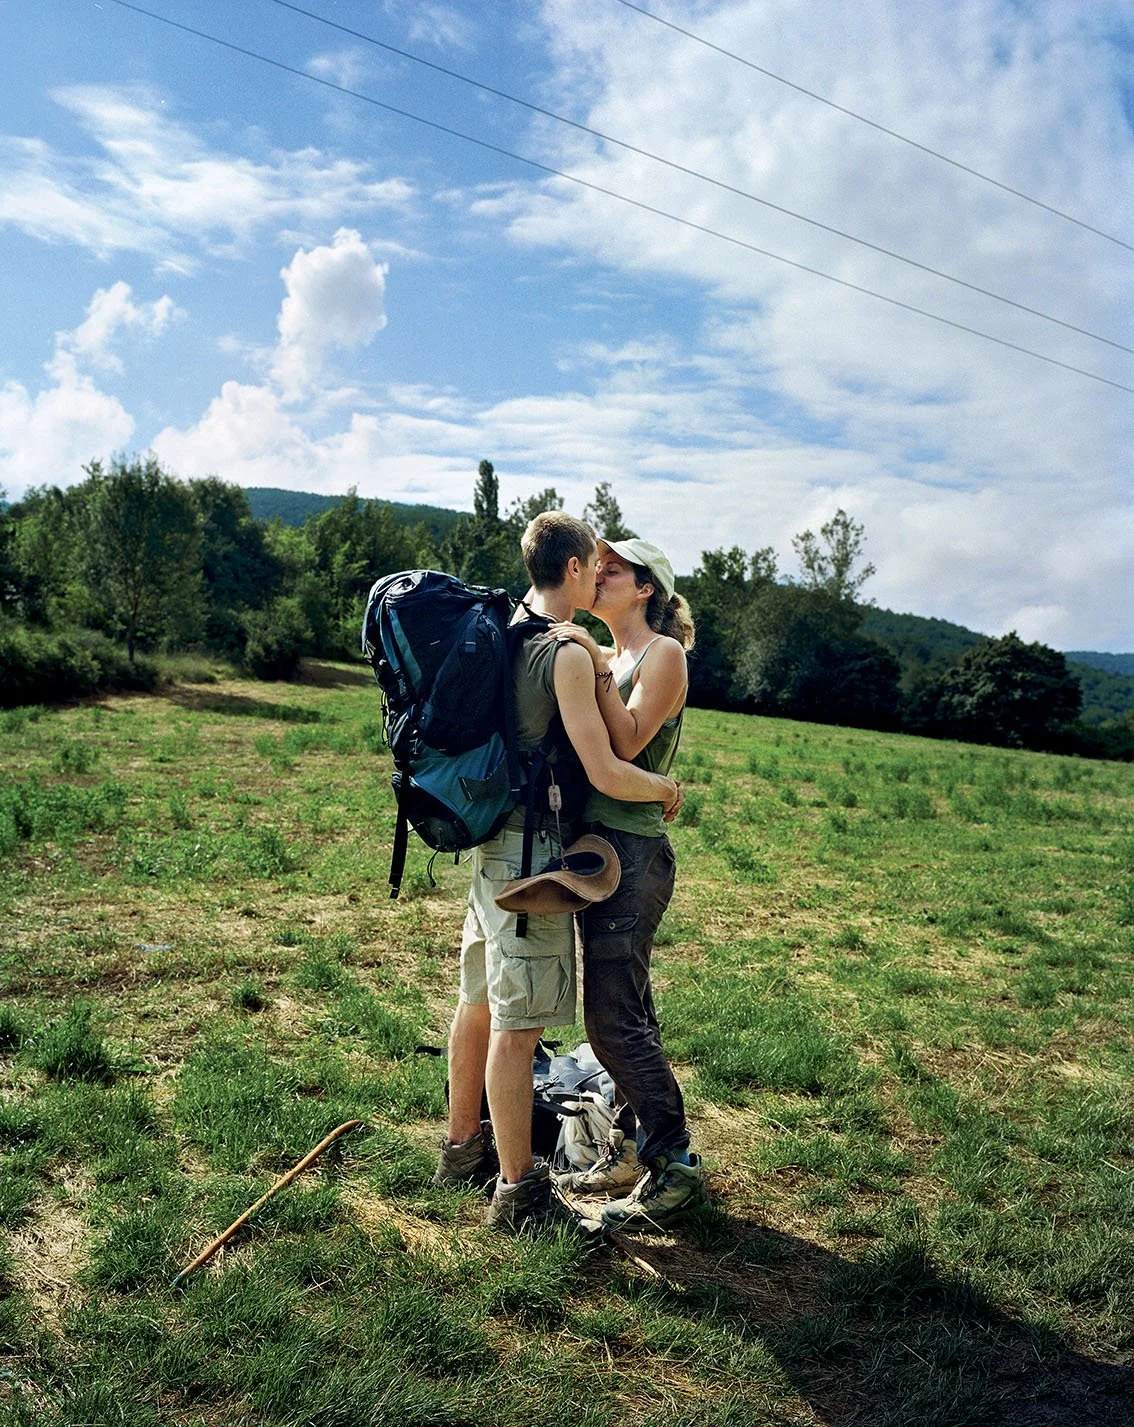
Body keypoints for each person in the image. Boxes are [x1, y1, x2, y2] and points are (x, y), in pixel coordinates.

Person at [434, 513, 684, 1237]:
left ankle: (461, 1149)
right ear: (573, 570)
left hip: (489, 843)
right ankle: (519, 1194)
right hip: (532, 857)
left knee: (476, 1000)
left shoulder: (509, 627)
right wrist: (666, 789)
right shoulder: (567, 653)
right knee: (520, 1023)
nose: (600, 574)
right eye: (594, 565)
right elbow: (608, 764)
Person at [549, 537, 705, 1232]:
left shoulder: (662, 655)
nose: (598, 573)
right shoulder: (610, 656)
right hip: (606, 847)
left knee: (610, 1020)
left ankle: (673, 1165)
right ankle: (635, 1148)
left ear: (645, 588)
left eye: (613, 568)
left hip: (634, 852)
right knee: (628, 1012)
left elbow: (627, 743)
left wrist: (590, 659)